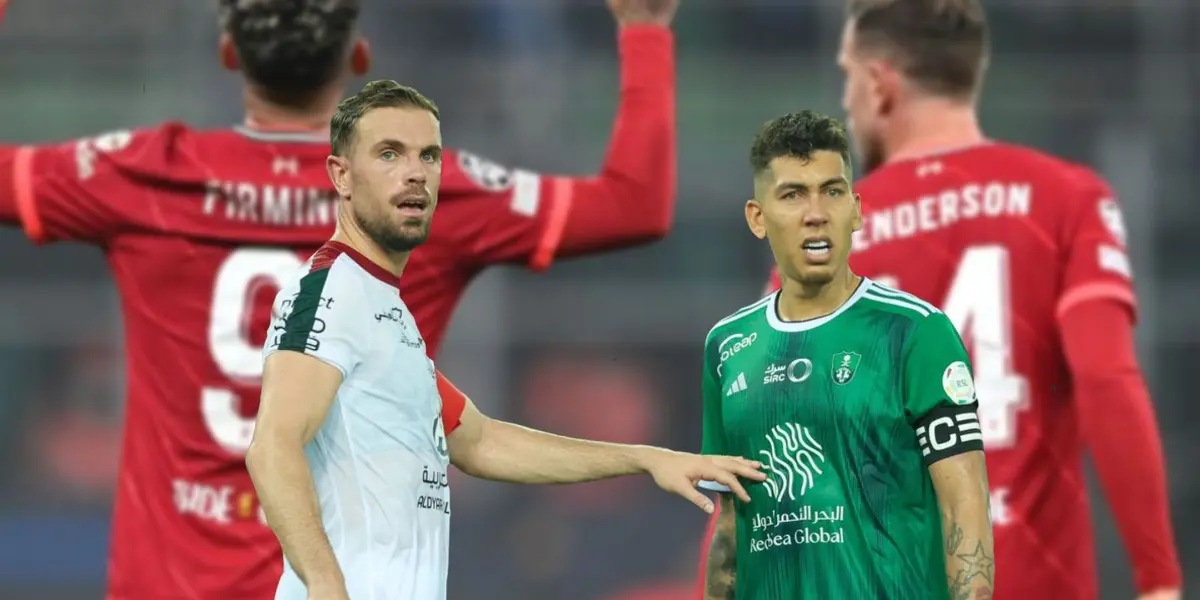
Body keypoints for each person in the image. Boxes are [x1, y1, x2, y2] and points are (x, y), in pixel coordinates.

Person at [0, 0, 682, 597]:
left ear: (229, 52)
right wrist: (645, 29)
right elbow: (634, 205)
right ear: (359, 54)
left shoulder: (144, 173)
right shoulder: (423, 190)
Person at [701, 1, 1184, 598]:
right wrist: (1158, 578)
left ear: (879, 84)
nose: (847, 102)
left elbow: (759, 465)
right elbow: (1107, 375)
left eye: (848, 76)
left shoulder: (821, 241)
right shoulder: (1067, 199)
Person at [248, 79, 764, 600]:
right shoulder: (331, 290)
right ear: (341, 175)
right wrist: (325, 584)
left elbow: (480, 441)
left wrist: (648, 458)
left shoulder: (388, 314)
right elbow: (272, 446)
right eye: (389, 154)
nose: (414, 173)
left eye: (428, 156)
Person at [699, 111, 993, 600]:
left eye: (832, 191)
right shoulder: (726, 348)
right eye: (793, 194)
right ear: (757, 217)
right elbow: (730, 530)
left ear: (856, 210)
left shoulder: (915, 333)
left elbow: (965, 506)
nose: (817, 212)